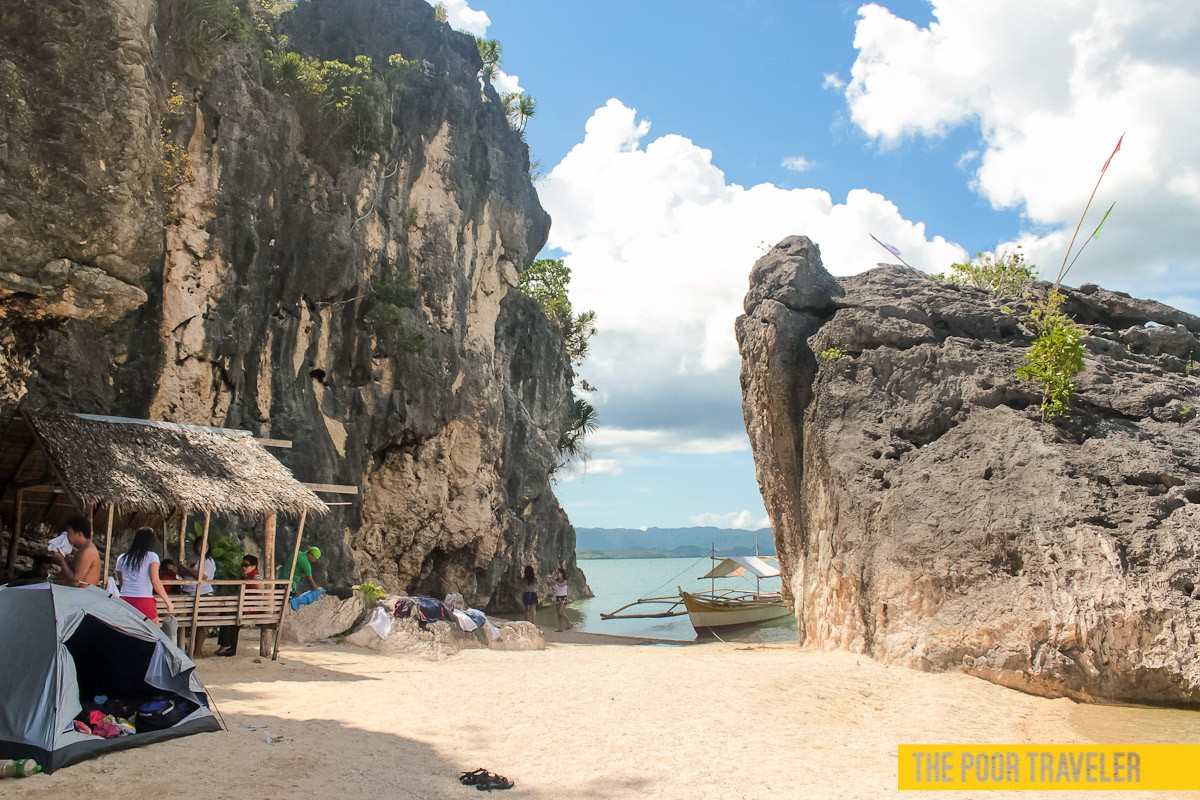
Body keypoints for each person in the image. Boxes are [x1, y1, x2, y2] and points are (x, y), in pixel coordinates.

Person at [115, 527, 174, 622]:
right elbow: (155, 581)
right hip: (144, 600)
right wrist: (168, 602)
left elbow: (122, 584)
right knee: (154, 634)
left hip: (125, 599)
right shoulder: (152, 556)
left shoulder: (122, 558)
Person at [177, 538, 216, 657]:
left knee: (200, 624)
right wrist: (183, 569)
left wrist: (187, 569)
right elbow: (186, 573)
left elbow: (203, 576)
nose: (204, 548)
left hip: (202, 593)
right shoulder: (193, 558)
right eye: (201, 545)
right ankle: (184, 648)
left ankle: (198, 650)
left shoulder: (208, 560)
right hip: (189, 593)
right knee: (186, 622)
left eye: (206, 546)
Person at [215, 555, 259, 657]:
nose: (244, 567)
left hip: (250, 608)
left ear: (254, 566)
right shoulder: (248, 576)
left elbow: (261, 591)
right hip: (245, 606)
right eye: (243, 565)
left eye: (246, 565)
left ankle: (226, 645)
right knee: (228, 615)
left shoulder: (256, 576)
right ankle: (229, 647)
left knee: (228, 615)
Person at [48, 516, 101, 588]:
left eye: (69, 533)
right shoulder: (82, 549)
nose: (67, 536)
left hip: (82, 595)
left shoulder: (88, 551)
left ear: (79, 534)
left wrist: (61, 560)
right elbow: (70, 571)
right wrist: (63, 555)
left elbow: (76, 582)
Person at [550, 568, 571, 632]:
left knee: (561, 612)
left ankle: (569, 623)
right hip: (558, 597)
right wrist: (551, 579)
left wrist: (554, 581)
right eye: (557, 573)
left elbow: (561, 585)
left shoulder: (565, 580)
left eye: (558, 573)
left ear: (562, 573)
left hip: (564, 597)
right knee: (558, 614)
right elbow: (549, 585)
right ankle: (560, 628)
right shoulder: (556, 580)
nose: (557, 574)